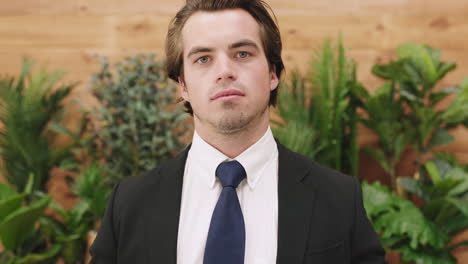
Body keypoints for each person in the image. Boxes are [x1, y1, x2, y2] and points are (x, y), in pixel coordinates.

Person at [89, 0, 386, 263]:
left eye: (242, 53)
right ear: (183, 85)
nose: (224, 71)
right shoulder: (129, 203)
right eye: (203, 58)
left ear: (272, 73)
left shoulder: (339, 199)